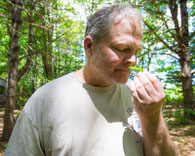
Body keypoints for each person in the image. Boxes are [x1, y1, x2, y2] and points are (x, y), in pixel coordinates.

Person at [5, 4, 179, 156]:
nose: (133, 60)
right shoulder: (46, 100)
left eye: (136, 51)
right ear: (89, 46)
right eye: (122, 48)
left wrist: (153, 116)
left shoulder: (141, 98)